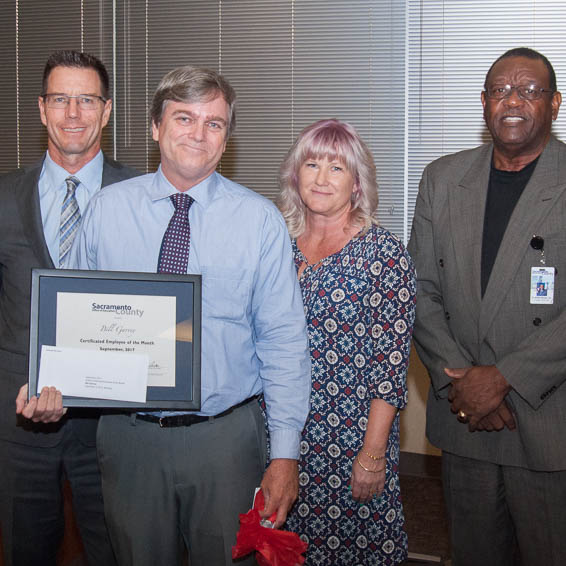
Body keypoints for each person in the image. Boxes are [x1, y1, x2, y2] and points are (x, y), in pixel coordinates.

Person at [55, 65, 310, 566]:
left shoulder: (259, 221)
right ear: (155, 126)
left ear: (226, 137)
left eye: (214, 123)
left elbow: (284, 341)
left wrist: (284, 455)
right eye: (184, 118)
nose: (198, 133)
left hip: (225, 442)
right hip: (130, 441)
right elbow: (74, 320)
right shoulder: (106, 211)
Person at [408, 47, 566, 566]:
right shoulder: (441, 180)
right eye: (500, 90)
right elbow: (421, 290)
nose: (513, 100)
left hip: (548, 422)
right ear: (483, 103)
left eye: (530, 90)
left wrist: (502, 378)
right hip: (466, 419)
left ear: (555, 104)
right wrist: (463, 382)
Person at [0, 50, 138, 566]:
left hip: (113, 424)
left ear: (106, 111)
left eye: (86, 100)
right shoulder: (3, 196)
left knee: (117, 552)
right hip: (20, 423)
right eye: (60, 99)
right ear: (41, 109)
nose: (73, 113)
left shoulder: (144, 195)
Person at [279, 119, 416, 565]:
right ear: (294, 174)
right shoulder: (275, 244)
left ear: (356, 183)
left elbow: (391, 368)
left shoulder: (383, 255)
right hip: (279, 435)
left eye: (336, 168)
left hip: (350, 441)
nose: (320, 178)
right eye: (311, 164)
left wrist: (373, 455)